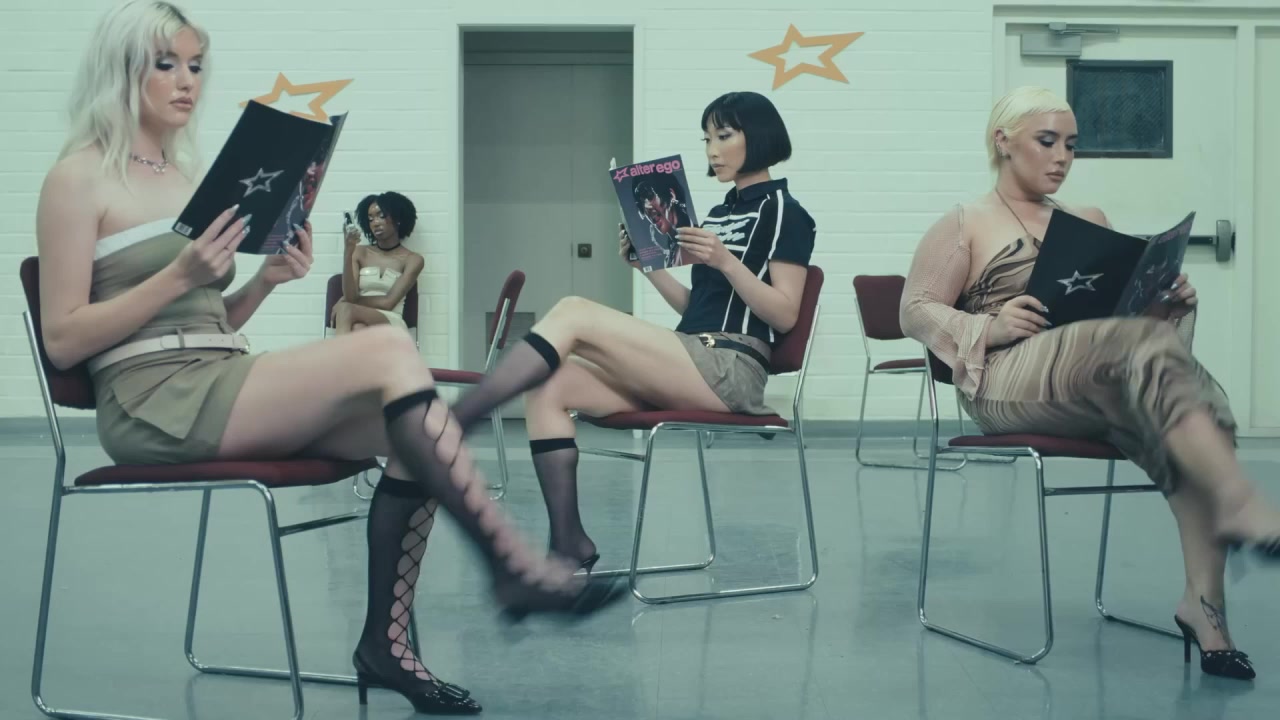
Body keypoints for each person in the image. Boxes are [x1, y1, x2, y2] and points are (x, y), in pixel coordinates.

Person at [35, 2, 623, 715]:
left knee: (419, 430)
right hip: (152, 403)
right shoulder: (78, 179)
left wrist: (264, 281)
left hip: (217, 373)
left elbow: (207, 320)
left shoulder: (189, 177)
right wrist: (179, 274)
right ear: (121, 69)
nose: (187, 81)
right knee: (388, 346)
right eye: (166, 64)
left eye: (195, 64)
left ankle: (386, 644)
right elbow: (63, 339)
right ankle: (512, 565)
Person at [899, 85, 1280, 681]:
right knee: (1149, 371)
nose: (1062, 158)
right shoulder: (964, 222)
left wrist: (1164, 306)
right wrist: (990, 325)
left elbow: (1120, 324)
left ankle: (1206, 612)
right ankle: (1239, 500)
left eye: (1072, 146)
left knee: (1203, 411)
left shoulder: (1089, 221)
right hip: (1007, 381)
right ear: (1003, 141)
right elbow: (915, 309)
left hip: (1096, 377)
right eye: (1047, 141)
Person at [445, 91, 817, 573]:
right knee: (550, 383)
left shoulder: (786, 212)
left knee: (574, 311)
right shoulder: (720, 214)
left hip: (732, 367)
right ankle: (568, 543)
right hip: (693, 353)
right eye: (706, 139)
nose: (712, 150)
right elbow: (699, 309)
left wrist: (724, 260)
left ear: (760, 137)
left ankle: (466, 413)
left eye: (724, 136)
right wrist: (648, 268)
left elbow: (785, 314)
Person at [332, 191, 424, 335]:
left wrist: (347, 301)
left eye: (381, 216)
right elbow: (351, 295)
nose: (375, 223)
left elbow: (388, 302)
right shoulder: (359, 252)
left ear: (398, 219)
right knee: (358, 328)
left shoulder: (413, 259)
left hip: (391, 320)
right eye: (370, 219)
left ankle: (335, 350)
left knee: (346, 309)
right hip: (358, 317)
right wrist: (348, 252)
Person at [632, 174, 692, 268]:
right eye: (641, 203)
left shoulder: (694, 243)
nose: (646, 207)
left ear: (671, 195)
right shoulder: (669, 257)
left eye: (650, 195)